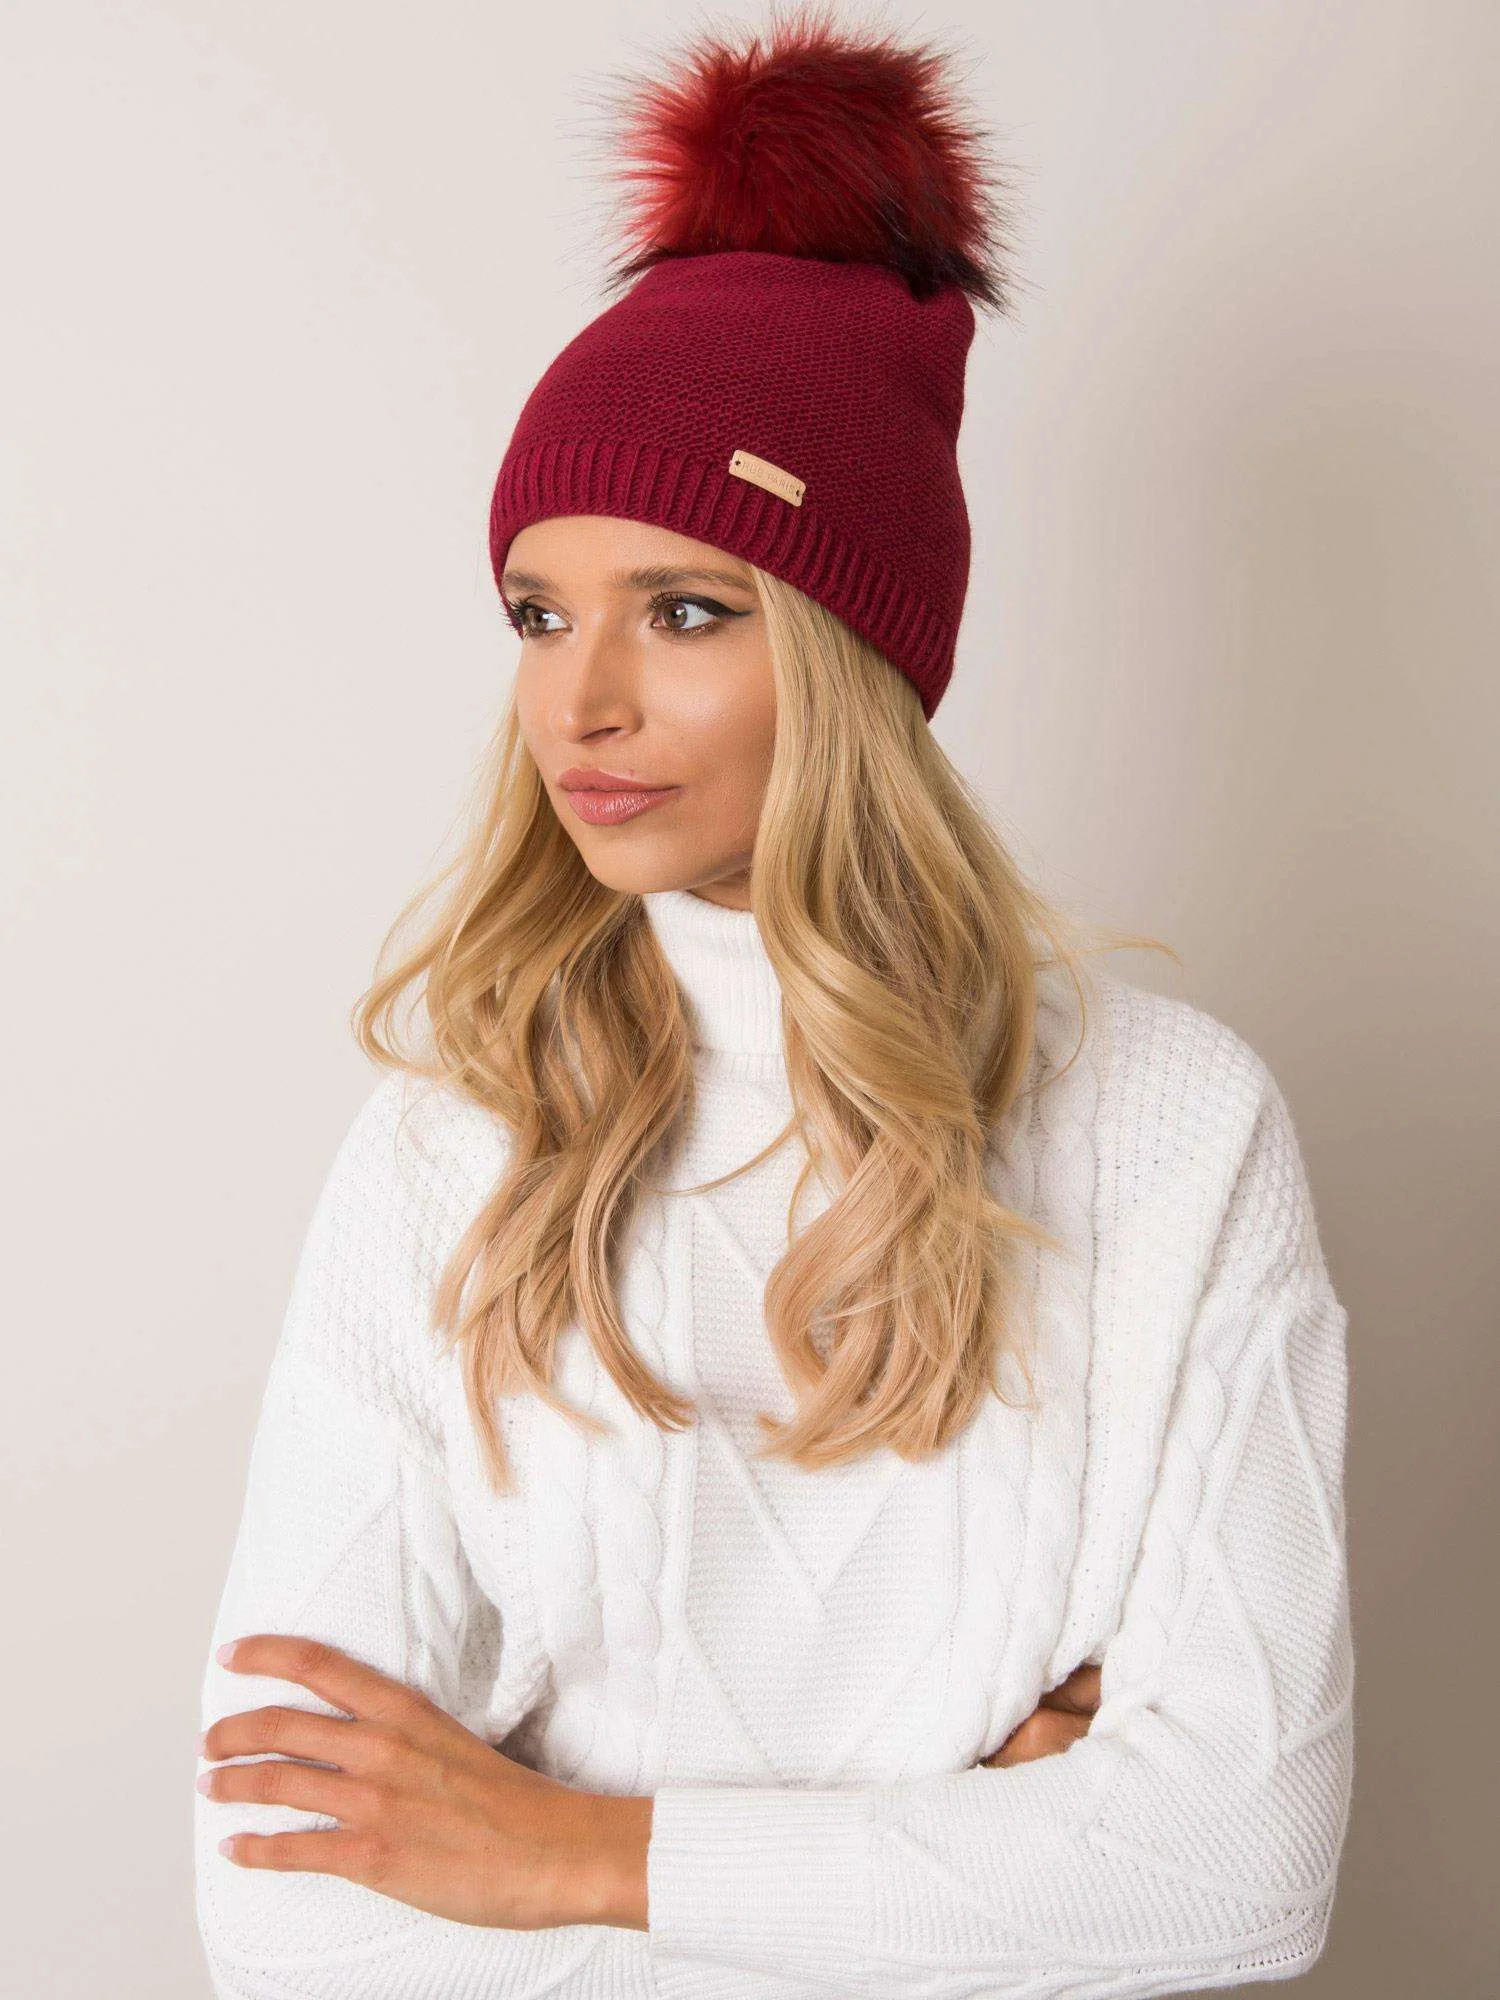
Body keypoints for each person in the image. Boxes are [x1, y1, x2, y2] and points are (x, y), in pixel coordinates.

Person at [192, 10, 1354, 1996]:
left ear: (851, 650)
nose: (581, 699)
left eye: (686, 608)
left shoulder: (1170, 1128)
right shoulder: (452, 1151)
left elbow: (1241, 1871)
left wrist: (562, 1850)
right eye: (539, 611)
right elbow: (291, 1916)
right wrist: (978, 1869)